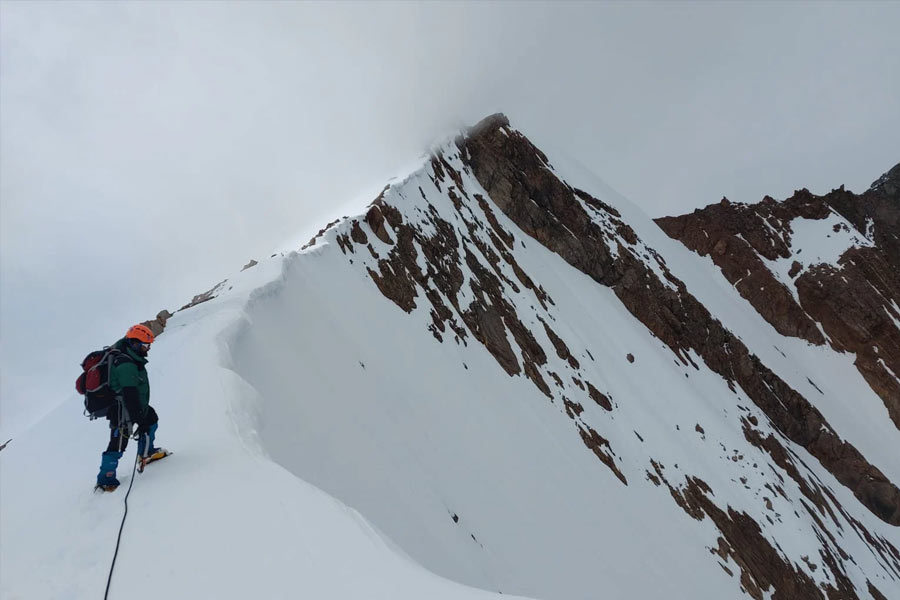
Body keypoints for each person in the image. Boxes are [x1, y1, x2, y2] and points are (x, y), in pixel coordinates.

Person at [96, 324, 166, 490]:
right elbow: (130, 394)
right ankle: (106, 478)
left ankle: (146, 452)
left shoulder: (130, 355)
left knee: (151, 420)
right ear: (135, 343)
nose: (148, 349)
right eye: (145, 345)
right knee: (119, 441)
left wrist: (142, 416)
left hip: (133, 405)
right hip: (121, 409)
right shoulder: (126, 364)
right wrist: (138, 417)